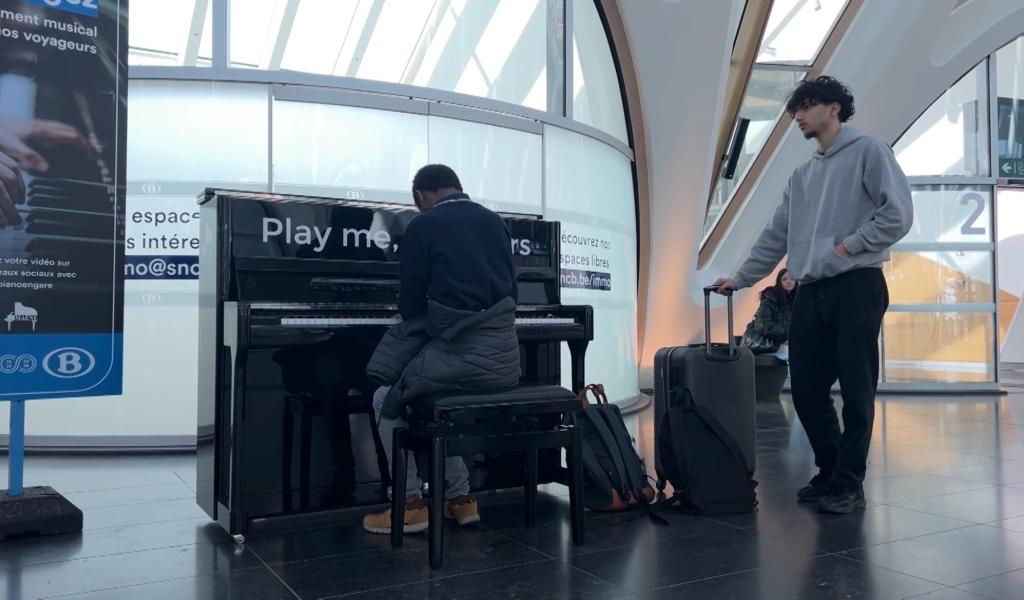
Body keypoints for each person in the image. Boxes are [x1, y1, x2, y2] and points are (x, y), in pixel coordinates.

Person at [713, 76, 913, 514]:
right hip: (810, 291)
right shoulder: (802, 177)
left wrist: (847, 246)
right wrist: (742, 277)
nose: (798, 117)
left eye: (805, 107)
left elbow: (897, 215)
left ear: (834, 108)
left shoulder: (869, 151)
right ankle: (829, 471)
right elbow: (776, 235)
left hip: (857, 284)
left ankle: (848, 483)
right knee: (805, 388)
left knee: (857, 390)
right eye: (794, 111)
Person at [362, 164, 521, 534]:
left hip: (460, 357)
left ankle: (411, 503)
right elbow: (511, 290)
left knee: (386, 397)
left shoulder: (423, 225)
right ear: (457, 187)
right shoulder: (495, 222)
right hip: (503, 362)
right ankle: (460, 499)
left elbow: (412, 305)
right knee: (437, 398)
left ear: (421, 196)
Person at [741, 268, 798, 360]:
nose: (788, 281)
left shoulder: (798, 300)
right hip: (768, 344)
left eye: (792, 279)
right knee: (794, 355)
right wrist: (787, 337)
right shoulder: (770, 298)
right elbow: (762, 325)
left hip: (785, 343)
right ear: (779, 282)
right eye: (784, 279)